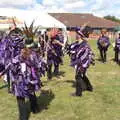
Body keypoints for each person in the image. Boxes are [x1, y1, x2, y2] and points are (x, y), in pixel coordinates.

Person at [68, 26, 94, 96]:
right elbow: (72, 50)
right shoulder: (78, 43)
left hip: (82, 64)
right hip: (80, 63)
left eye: (77, 34)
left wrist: (76, 62)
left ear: (80, 36)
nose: (76, 35)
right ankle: (89, 87)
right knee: (82, 75)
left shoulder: (84, 45)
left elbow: (83, 57)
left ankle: (78, 93)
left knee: (78, 76)